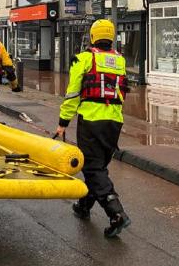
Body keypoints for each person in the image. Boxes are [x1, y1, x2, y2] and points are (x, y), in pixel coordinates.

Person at [55, 19, 130, 238]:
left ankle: (116, 213)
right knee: (98, 166)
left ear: (93, 36)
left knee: (92, 168)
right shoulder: (120, 60)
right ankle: (84, 205)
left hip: (91, 121)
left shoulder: (83, 59)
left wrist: (63, 122)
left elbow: (72, 94)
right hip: (114, 121)